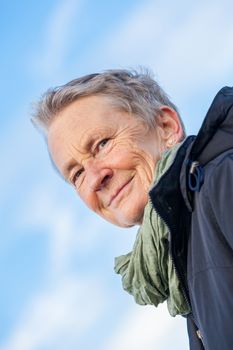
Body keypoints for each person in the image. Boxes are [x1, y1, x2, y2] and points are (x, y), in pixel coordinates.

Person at [32, 69, 233, 350]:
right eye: (76, 174)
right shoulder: (183, 253)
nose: (93, 178)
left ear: (166, 127)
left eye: (102, 144)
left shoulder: (222, 182)